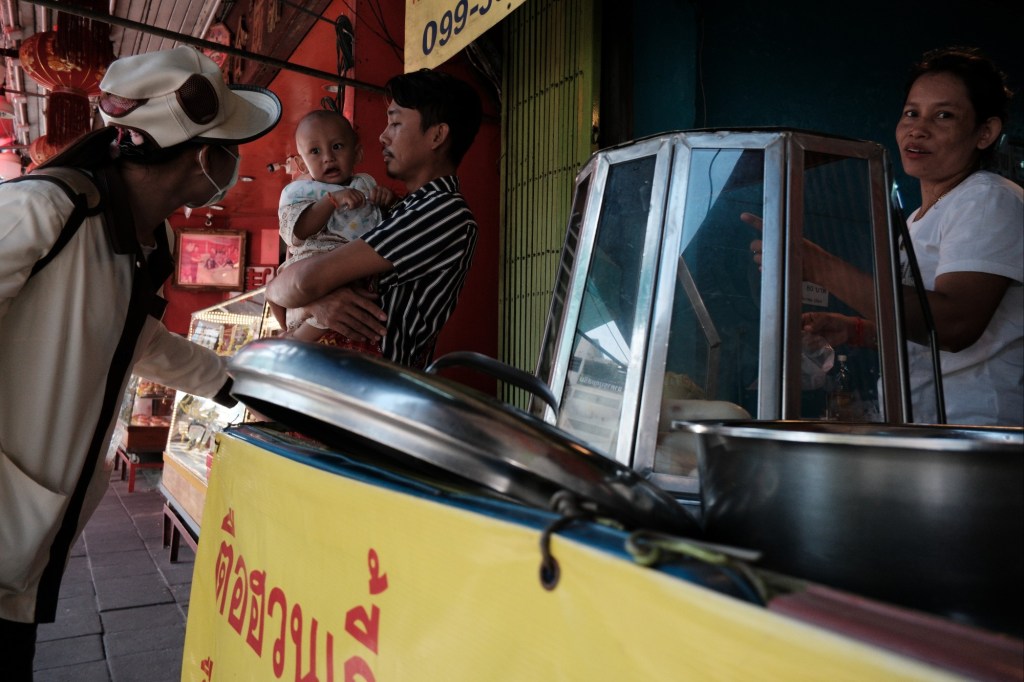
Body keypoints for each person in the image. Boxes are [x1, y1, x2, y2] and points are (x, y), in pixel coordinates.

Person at [0, 45, 280, 675]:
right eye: (229, 147)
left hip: (26, 545)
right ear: (201, 157)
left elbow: (138, 340)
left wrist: (239, 384)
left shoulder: (146, 241)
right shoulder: (45, 210)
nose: (234, 161)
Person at [798, 47, 1022, 425]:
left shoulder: (988, 198)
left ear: (985, 132)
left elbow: (954, 325)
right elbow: (923, 330)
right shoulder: (921, 217)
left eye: (944, 115)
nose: (918, 129)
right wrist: (856, 330)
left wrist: (822, 268)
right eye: (911, 113)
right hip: (928, 426)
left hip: (978, 428)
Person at [266, 68, 483, 369]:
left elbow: (301, 281)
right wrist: (313, 303)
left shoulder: (442, 212)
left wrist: (302, 296)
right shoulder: (399, 208)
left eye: (395, 123)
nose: (383, 136)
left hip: (367, 380)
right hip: (344, 377)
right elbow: (280, 288)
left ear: (437, 135)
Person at [274, 110, 395, 351]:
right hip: (312, 259)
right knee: (285, 288)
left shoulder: (365, 186)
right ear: (301, 164)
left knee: (350, 292)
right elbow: (298, 231)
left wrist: (386, 201)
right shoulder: (300, 193)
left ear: (357, 153)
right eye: (315, 151)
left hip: (351, 269)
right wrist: (330, 201)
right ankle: (292, 338)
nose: (328, 158)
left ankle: (299, 339)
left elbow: (383, 223)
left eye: (337, 147)